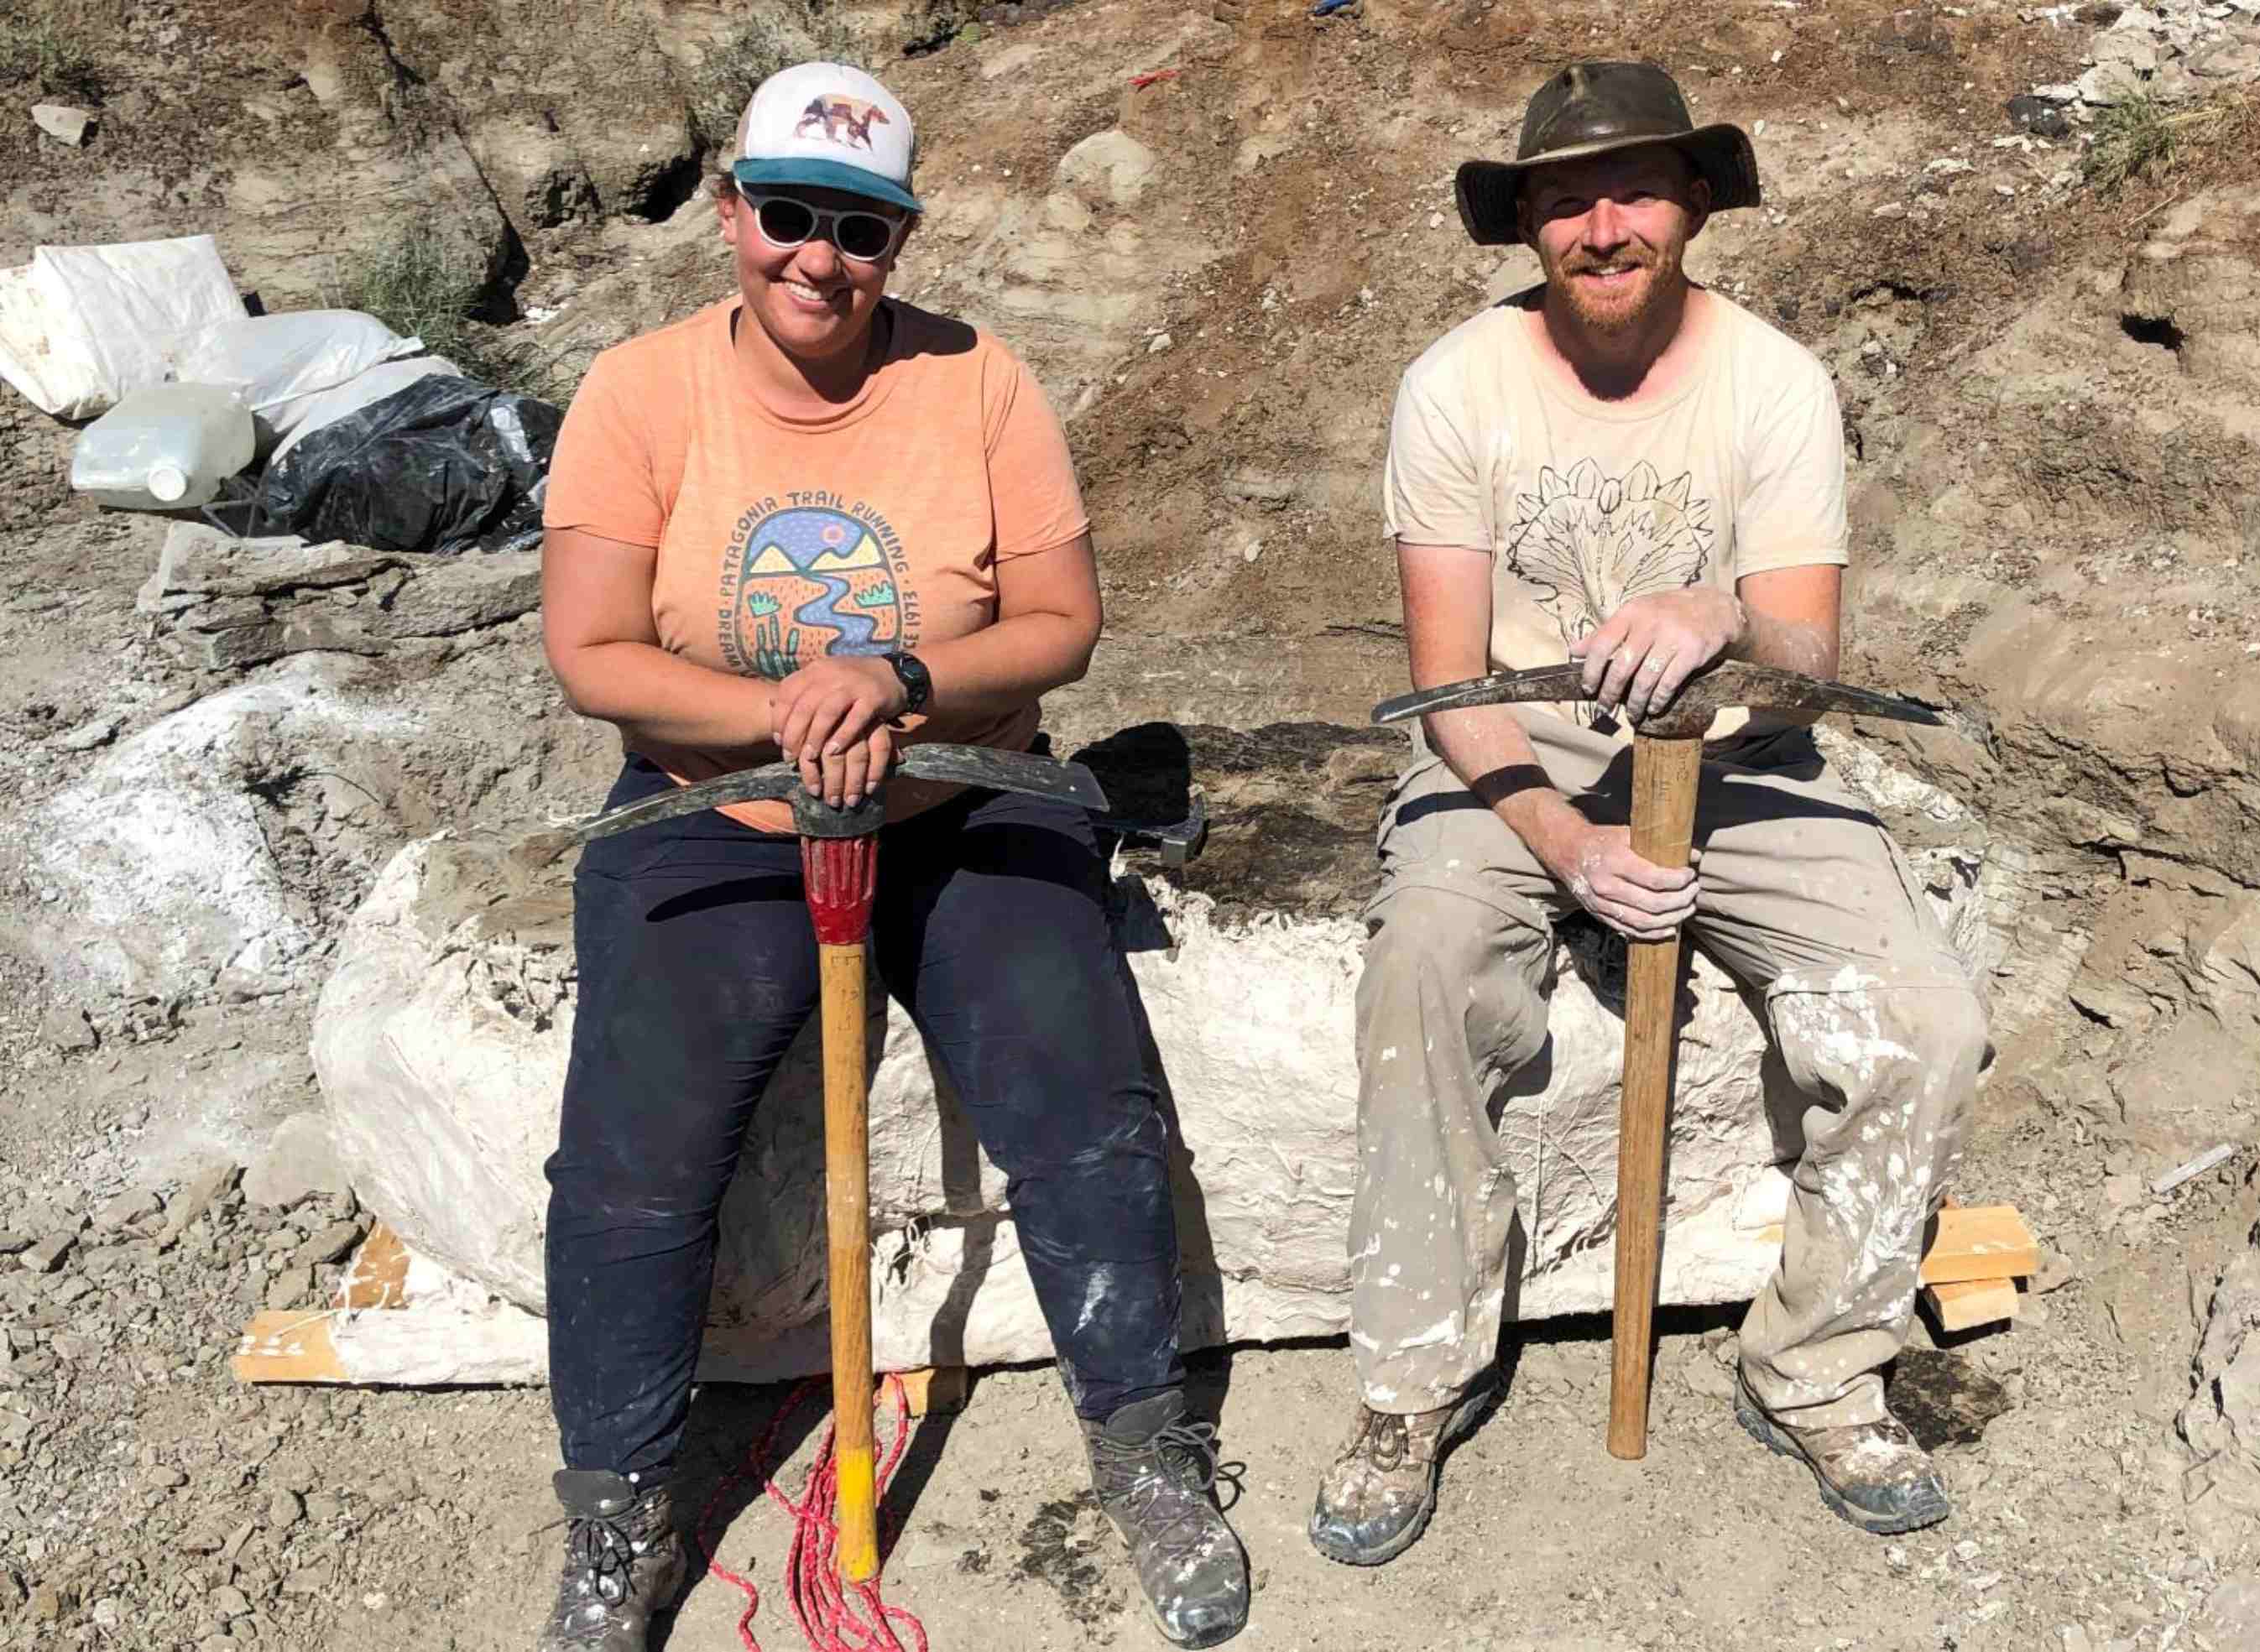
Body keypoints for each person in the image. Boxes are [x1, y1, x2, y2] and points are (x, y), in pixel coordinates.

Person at [531, 62, 1248, 1652]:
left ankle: (1148, 1446)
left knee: (1087, 1106)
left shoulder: (978, 382)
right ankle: (622, 1511)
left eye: (858, 228)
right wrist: (778, 713)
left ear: (899, 240)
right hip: (715, 808)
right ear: (733, 217)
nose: (819, 257)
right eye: (788, 215)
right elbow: (589, 649)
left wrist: (905, 683)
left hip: (957, 798)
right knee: (630, 1172)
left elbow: (1062, 625)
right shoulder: (641, 393)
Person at [1308, 61, 1992, 1566]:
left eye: (1632, 191)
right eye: (1565, 197)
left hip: (1741, 763)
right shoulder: (1456, 387)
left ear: (1692, 204)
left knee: (1924, 1018)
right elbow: (1446, 683)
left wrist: (1720, 611)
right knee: (1421, 973)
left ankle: (1816, 1363)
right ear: (1528, 225)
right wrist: (1570, 847)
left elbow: (1808, 665)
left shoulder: (1776, 386)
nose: (1600, 225)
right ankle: (1417, 1376)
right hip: (1507, 752)